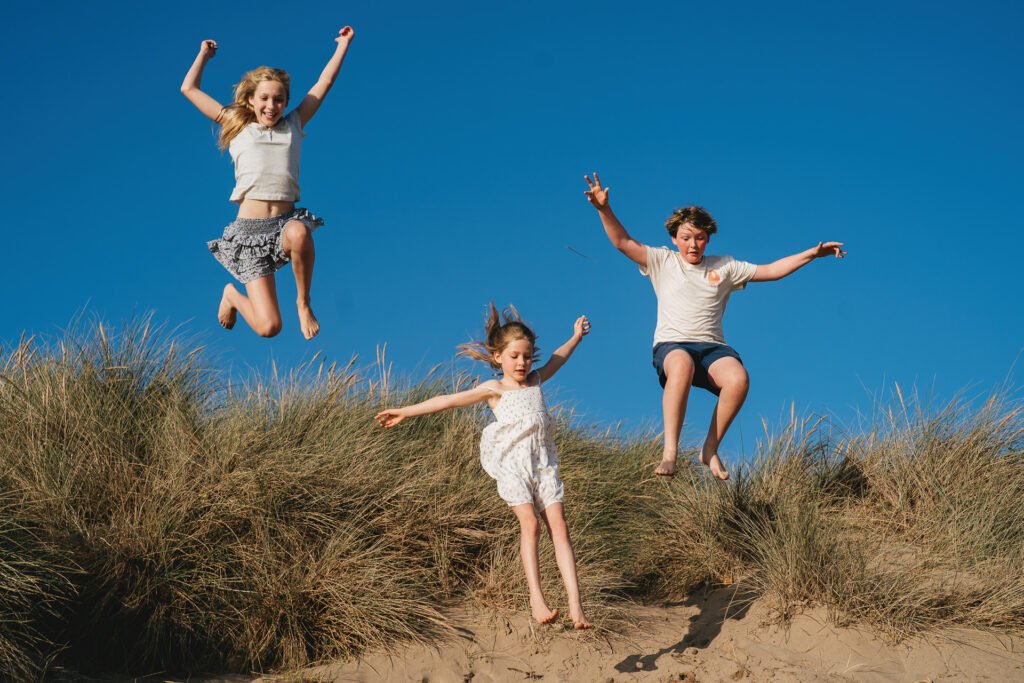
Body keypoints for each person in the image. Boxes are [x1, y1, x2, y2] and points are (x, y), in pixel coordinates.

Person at [584, 172, 845, 480]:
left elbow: (772, 270)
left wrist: (812, 254)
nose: (692, 244)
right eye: (685, 237)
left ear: (708, 238)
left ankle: (710, 449)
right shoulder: (662, 261)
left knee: (738, 378)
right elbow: (622, 242)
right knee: (680, 366)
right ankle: (670, 453)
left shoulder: (725, 266)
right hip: (673, 344)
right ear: (674, 238)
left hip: (712, 347)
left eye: (699, 238)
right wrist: (603, 209)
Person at [376, 304, 594, 629]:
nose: (522, 362)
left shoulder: (535, 380)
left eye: (527, 356)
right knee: (530, 526)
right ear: (498, 358)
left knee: (560, 528)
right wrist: (406, 411)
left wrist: (575, 337)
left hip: (544, 465)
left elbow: (557, 359)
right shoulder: (494, 390)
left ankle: (577, 608)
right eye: (515, 356)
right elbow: (447, 400)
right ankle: (537, 599)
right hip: (514, 466)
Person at [180, 27, 355, 339]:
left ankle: (303, 303)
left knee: (300, 232)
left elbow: (323, 83)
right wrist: (203, 56)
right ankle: (232, 296)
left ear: (286, 102)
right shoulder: (236, 126)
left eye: (279, 100)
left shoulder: (294, 124)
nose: (271, 106)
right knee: (269, 327)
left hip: (285, 223)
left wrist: (343, 45)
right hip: (249, 233)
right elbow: (189, 90)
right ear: (250, 100)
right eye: (264, 98)